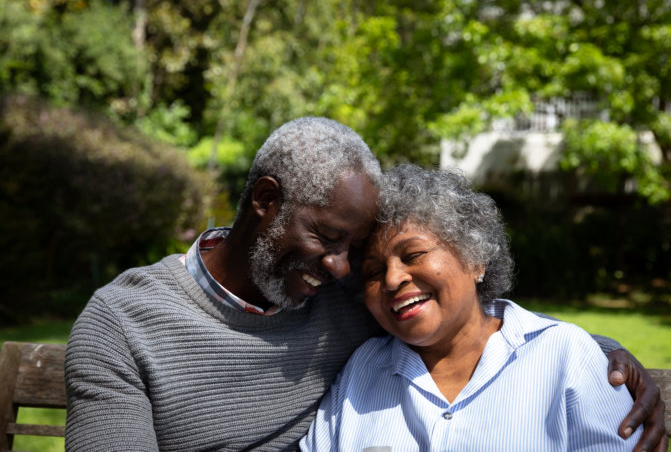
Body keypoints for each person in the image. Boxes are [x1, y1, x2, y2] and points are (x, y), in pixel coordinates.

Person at [65, 118, 666, 451]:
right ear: (265, 202)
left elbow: (466, 315)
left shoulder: (343, 298)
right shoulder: (124, 323)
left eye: (354, 251)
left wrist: (603, 357)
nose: (344, 270)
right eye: (328, 238)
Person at [300, 164, 665, 451]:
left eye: (414, 255)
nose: (393, 279)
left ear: (475, 260)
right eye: (374, 272)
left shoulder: (565, 358)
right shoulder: (362, 371)